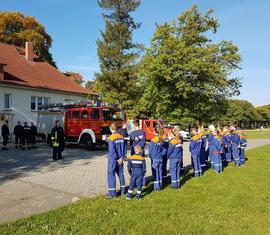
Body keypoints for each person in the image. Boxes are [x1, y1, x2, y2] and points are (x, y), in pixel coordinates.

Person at [107, 123, 126, 198]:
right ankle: (123, 191)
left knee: (111, 175)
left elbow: (112, 151)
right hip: (120, 159)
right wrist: (122, 157)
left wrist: (117, 158)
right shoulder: (121, 137)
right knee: (121, 174)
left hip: (113, 159)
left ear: (111, 129)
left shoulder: (111, 138)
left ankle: (112, 194)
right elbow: (124, 148)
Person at [129, 119, 147, 185]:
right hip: (141, 151)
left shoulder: (132, 134)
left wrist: (135, 147)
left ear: (134, 125)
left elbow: (131, 143)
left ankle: (135, 182)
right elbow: (144, 142)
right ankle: (143, 182)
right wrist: (140, 147)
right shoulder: (143, 132)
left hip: (134, 151)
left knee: (134, 167)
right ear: (139, 124)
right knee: (142, 166)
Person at [149, 126, 166, 191]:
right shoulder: (161, 139)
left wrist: (151, 157)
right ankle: (160, 185)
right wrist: (161, 155)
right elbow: (164, 150)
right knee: (160, 172)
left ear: (155, 131)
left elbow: (150, 151)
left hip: (154, 158)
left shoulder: (153, 140)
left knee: (155, 173)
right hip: (160, 158)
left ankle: (156, 188)